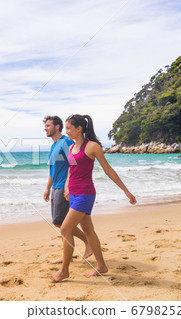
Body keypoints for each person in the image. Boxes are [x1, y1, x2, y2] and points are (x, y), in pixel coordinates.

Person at [50, 114, 136, 282]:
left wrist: (126, 191)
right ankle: (102, 265)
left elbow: (108, 170)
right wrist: (67, 186)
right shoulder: (73, 146)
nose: (66, 131)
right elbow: (71, 170)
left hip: (85, 194)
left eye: (68, 128)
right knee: (88, 230)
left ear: (79, 128)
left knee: (65, 229)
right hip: (73, 193)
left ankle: (64, 270)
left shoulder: (92, 147)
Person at [43, 115, 92, 264]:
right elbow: (53, 169)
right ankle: (68, 254)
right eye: (45, 126)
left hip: (64, 187)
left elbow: (74, 165)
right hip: (56, 187)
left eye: (48, 126)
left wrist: (68, 186)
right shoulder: (53, 146)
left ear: (57, 127)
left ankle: (85, 243)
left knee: (59, 222)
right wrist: (47, 188)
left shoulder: (66, 142)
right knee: (62, 223)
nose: (45, 128)